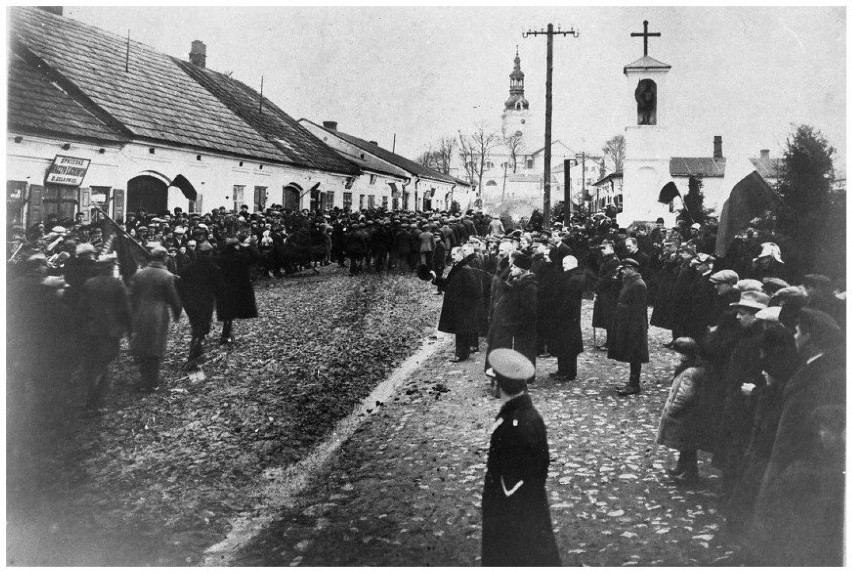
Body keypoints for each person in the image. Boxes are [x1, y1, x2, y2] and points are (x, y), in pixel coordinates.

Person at [745, 308, 845, 566]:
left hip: (793, 462)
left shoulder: (821, 377)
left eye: (798, 331)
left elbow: (799, 431)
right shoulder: (816, 367)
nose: (794, 336)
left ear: (810, 337)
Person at [481, 349, 561, 567]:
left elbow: (510, 486)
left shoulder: (511, 427)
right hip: (532, 510)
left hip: (513, 519)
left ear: (498, 386)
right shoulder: (530, 416)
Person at [77, 257, 132, 411]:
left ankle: (90, 400)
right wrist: (129, 328)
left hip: (91, 331)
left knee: (93, 363)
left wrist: (83, 327)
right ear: (110, 268)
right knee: (104, 364)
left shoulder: (89, 284)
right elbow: (125, 309)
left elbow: (82, 309)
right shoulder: (117, 284)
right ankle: (97, 401)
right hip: (110, 332)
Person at [128, 247, 182, 392]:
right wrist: (177, 312)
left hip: (140, 313)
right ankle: (152, 383)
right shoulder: (167, 275)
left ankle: (144, 379)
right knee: (155, 345)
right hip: (157, 314)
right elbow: (173, 298)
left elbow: (131, 296)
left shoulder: (139, 274)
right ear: (164, 258)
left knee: (143, 344)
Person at [656, 337, 705, 484]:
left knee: (688, 446)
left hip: (686, 416)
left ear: (684, 354)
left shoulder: (689, 372)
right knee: (685, 445)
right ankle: (681, 467)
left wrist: (673, 409)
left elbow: (684, 395)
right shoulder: (691, 367)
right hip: (689, 415)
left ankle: (690, 474)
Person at [176, 242, 225, 369]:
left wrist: (184, 299)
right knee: (201, 328)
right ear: (210, 253)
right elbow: (220, 289)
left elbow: (180, 284)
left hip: (190, 303)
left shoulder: (189, 267)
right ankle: (193, 359)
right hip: (205, 303)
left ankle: (196, 352)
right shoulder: (215, 268)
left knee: (197, 326)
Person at [486, 251, 538, 369]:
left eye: (514, 267)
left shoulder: (530, 287)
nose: (511, 269)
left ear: (522, 269)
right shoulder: (518, 281)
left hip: (523, 328)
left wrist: (515, 322)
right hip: (516, 325)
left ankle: (523, 382)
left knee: (523, 353)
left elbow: (528, 310)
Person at [431, 247, 482, 363]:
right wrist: (436, 279)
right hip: (457, 305)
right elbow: (448, 284)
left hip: (462, 306)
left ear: (461, 255)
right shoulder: (457, 268)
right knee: (461, 330)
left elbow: (474, 289)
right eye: (452, 254)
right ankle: (463, 353)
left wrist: (465, 303)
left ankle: (461, 354)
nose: (452, 256)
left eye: (454, 254)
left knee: (461, 330)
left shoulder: (465, 269)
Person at [608, 258, 649, 396]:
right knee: (632, 353)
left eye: (624, 269)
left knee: (635, 354)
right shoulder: (630, 282)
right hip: (627, 322)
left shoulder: (638, 284)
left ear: (632, 269)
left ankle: (634, 384)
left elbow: (639, 309)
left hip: (634, 324)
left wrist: (635, 329)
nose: (622, 271)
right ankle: (632, 383)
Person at [217, 236, 260, 343]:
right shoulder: (241, 257)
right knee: (235, 310)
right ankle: (226, 334)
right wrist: (248, 247)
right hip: (241, 287)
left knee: (228, 311)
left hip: (226, 286)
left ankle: (226, 333)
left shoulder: (222, 257)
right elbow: (257, 257)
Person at [549, 255, 585, 380]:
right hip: (566, 316)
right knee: (563, 344)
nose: (563, 266)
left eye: (565, 263)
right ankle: (562, 370)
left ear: (572, 264)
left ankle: (569, 372)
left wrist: (559, 312)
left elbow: (568, 300)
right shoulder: (572, 276)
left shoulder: (574, 278)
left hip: (568, 316)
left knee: (568, 345)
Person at [591, 240, 620, 350]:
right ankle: (610, 342)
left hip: (610, 293)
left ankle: (612, 343)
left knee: (610, 318)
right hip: (605, 292)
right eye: (601, 248)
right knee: (607, 318)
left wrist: (596, 288)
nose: (602, 250)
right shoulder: (606, 259)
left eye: (604, 248)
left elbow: (607, 279)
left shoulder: (614, 261)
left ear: (611, 248)